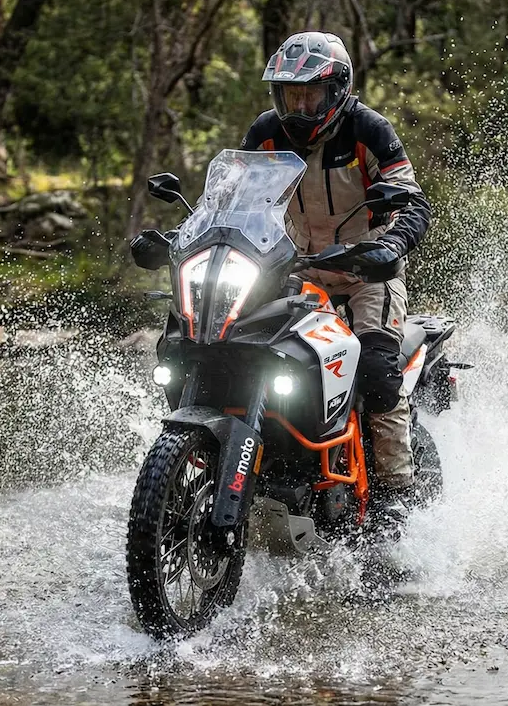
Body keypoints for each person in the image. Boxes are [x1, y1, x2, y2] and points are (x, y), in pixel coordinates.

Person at [132, 31, 431, 497]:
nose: (300, 107)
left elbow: (413, 202)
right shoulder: (266, 133)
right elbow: (226, 202)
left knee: (376, 371)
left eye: (311, 95)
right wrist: (178, 239)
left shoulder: (369, 130)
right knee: (225, 344)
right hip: (292, 268)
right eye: (291, 95)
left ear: (337, 90)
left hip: (365, 271)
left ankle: (397, 494)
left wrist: (390, 246)